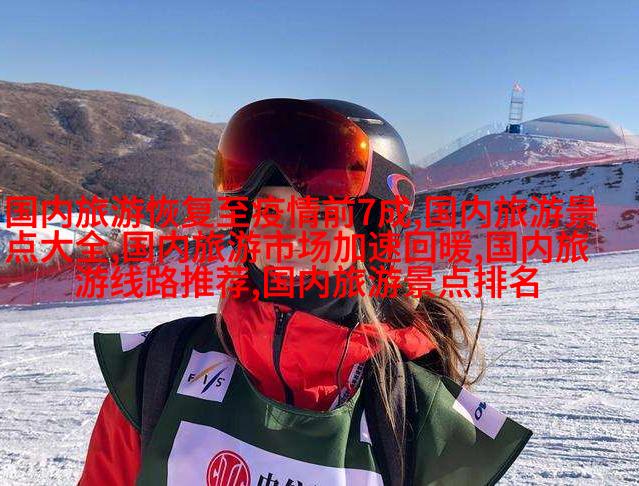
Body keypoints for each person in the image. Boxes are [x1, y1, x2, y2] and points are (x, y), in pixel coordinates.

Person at [79, 98, 531, 486]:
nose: (287, 238)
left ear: (369, 239)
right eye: (269, 213)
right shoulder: (158, 370)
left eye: (318, 215)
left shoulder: (422, 422)